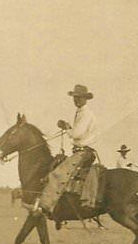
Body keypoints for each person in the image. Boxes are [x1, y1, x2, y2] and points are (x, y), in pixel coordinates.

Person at [34, 84, 99, 215]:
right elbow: (76, 132)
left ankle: (45, 207)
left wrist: (65, 127)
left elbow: (76, 134)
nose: (76, 100)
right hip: (80, 151)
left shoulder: (86, 114)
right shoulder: (81, 113)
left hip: (83, 152)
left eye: (79, 97)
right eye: (75, 97)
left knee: (57, 174)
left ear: (85, 99)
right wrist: (68, 127)